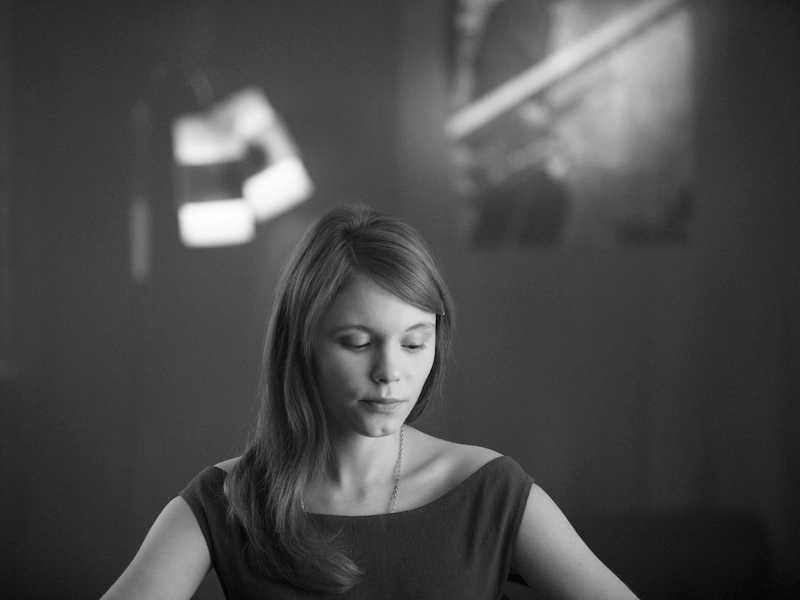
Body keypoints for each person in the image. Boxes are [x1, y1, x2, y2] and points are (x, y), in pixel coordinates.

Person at [101, 203, 638, 599]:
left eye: (414, 343)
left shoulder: (489, 492)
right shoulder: (227, 501)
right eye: (358, 343)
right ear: (302, 343)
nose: (389, 373)